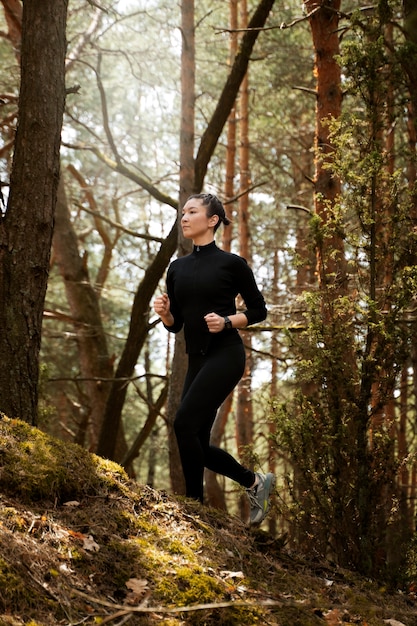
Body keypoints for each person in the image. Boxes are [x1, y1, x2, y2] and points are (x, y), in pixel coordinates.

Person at [153, 192, 275, 525]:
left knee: (182, 423)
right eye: (182, 213)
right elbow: (177, 324)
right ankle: (252, 483)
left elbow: (259, 311)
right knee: (193, 439)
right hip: (197, 358)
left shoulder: (232, 264)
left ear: (212, 221)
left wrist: (227, 321)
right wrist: (165, 314)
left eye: (192, 211)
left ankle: (192, 509)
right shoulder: (177, 269)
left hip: (226, 354)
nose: (184, 217)